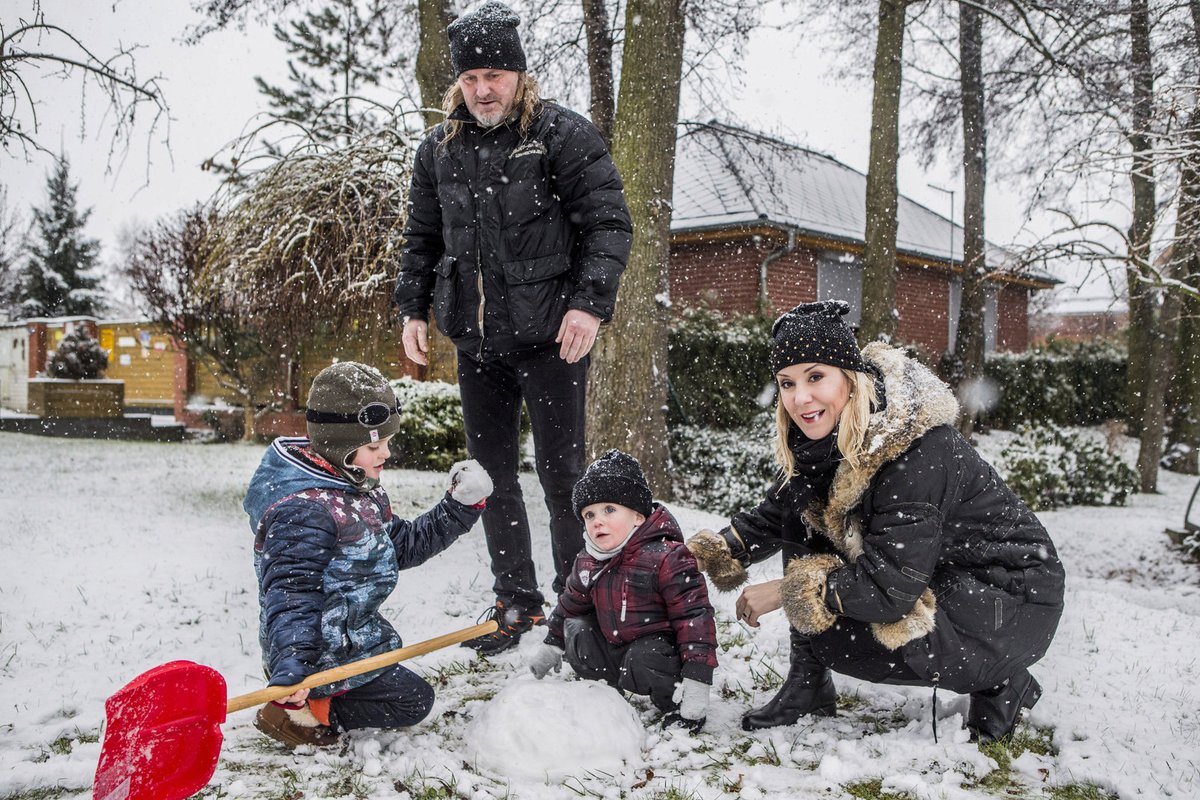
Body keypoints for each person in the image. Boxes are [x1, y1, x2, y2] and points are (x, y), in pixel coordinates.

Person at [687, 301, 1065, 743]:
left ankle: (1001, 680)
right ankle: (807, 682)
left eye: (815, 377)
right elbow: (778, 514)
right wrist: (701, 554)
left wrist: (788, 592)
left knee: (849, 633)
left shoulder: (917, 452)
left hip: (1011, 599)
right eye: (787, 383)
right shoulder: (826, 444)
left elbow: (890, 588)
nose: (800, 398)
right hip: (944, 577)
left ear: (851, 378)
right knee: (805, 512)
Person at [394, 0, 633, 656]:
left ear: (520, 76)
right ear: (458, 84)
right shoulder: (437, 151)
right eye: (471, 79)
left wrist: (588, 305)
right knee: (487, 477)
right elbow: (421, 237)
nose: (483, 89)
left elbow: (609, 224)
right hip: (479, 343)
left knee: (563, 477)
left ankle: (574, 604)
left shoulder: (562, 136)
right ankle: (516, 601)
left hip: (553, 338)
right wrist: (412, 308)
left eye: (495, 75)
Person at [243, 362, 493, 748]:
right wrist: (291, 666)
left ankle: (321, 697)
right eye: (374, 446)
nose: (386, 454)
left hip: (354, 641)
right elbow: (291, 593)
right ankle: (303, 710)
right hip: (314, 656)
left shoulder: (357, 488)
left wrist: (458, 508)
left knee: (409, 696)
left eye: (387, 442)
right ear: (340, 448)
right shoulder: (304, 511)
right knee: (412, 702)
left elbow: (401, 546)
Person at [527, 450, 718, 730]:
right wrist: (552, 645)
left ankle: (677, 700)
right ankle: (601, 691)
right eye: (589, 514)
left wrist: (698, 678)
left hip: (656, 653)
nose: (597, 521)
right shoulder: (587, 561)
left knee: (646, 657)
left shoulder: (667, 557)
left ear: (638, 517)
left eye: (609, 510)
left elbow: (694, 617)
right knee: (576, 627)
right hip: (613, 647)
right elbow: (569, 606)